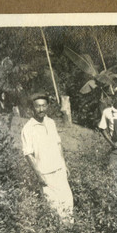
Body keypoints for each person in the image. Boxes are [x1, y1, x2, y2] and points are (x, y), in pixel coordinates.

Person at [21, 93, 73, 222]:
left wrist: (64, 164)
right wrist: (39, 174)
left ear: (47, 106)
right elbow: (28, 154)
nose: (41, 109)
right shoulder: (28, 128)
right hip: (45, 173)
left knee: (68, 203)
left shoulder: (51, 122)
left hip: (59, 170)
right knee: (54, 208)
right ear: (32, 108)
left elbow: (58, 144)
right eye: (38, 106)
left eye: (44, 106)